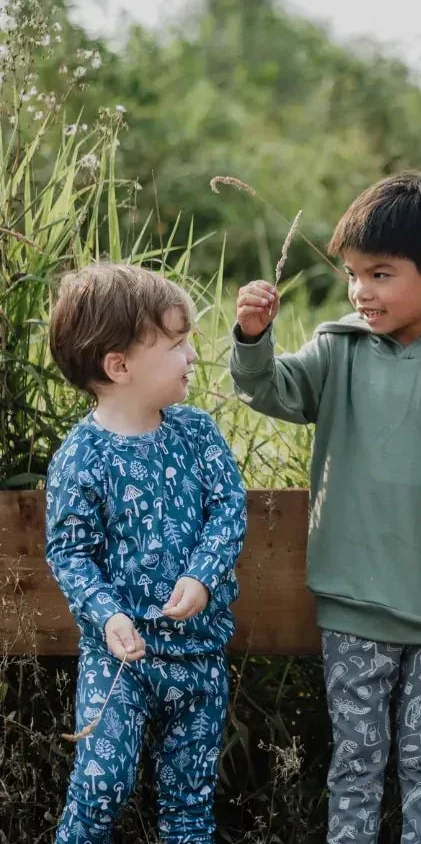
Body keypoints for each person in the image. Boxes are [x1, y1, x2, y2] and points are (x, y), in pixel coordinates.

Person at [231, 171, 421, 844]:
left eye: (381, 274)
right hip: (352, 597)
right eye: (354, 274)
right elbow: (273, 391)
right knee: (356, 761)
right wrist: (252, 337)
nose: (361, 290)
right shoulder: (338, 349)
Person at [45, 263, 247, 843]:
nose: (191, 356)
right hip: (121, 663)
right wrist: (107, 615)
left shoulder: (196, 433)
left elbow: (228, 508)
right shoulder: (82, 458)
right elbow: (71, 553)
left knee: (189, 802)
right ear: (119, 365)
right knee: (100, 787)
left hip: (199, 655)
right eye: (177, 343)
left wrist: (204, 576)